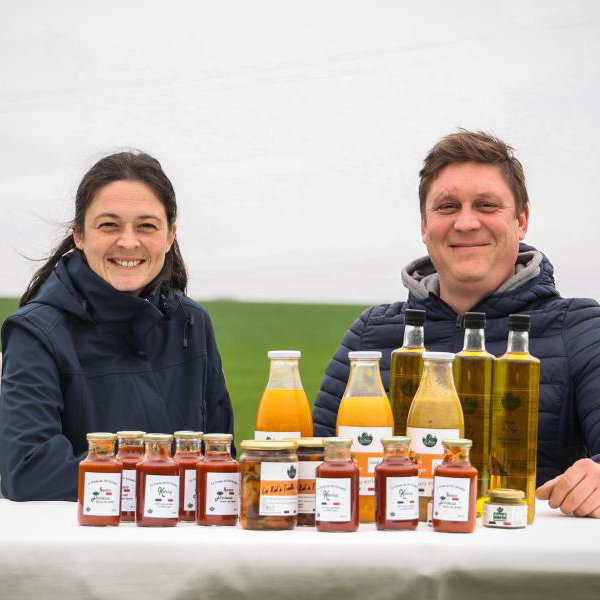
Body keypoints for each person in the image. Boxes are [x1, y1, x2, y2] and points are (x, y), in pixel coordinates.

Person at [313, 130, 600, 518]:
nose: (466, 223)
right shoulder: (371, 334)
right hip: (391, 566)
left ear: (521, 221)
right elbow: (312, 458)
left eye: (486, 205)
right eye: (448, 207)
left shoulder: (580, 330)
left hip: (517, 566)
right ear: (423, 226)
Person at [0, 151, 234, 501]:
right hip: (82, 548)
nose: (128, 241)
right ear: (79, 234)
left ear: (169, 236)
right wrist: (159, 477)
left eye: (146, 226)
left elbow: (219, 456)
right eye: (109, 225)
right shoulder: (37, 334)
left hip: (182, 547)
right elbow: (27, 471)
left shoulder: (191, 324)